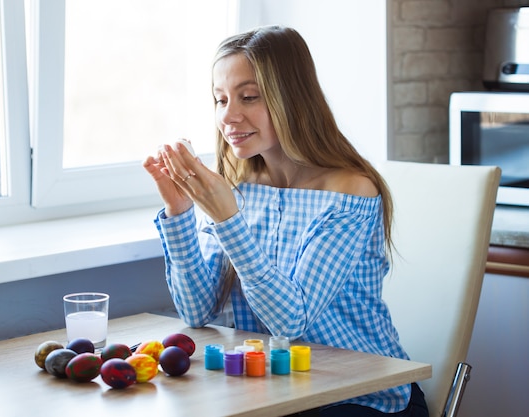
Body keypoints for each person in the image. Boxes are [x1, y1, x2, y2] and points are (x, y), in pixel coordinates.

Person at [143, 25, 428, 417]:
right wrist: (180, 212)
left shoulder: (350, 191)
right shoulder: (238, 184)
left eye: (248, 97)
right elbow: (196, 310)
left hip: (361, 397)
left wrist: (227, 218)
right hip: (272, 393)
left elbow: (289, 320)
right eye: (220, 99)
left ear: (291, 98)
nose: (228, 116)